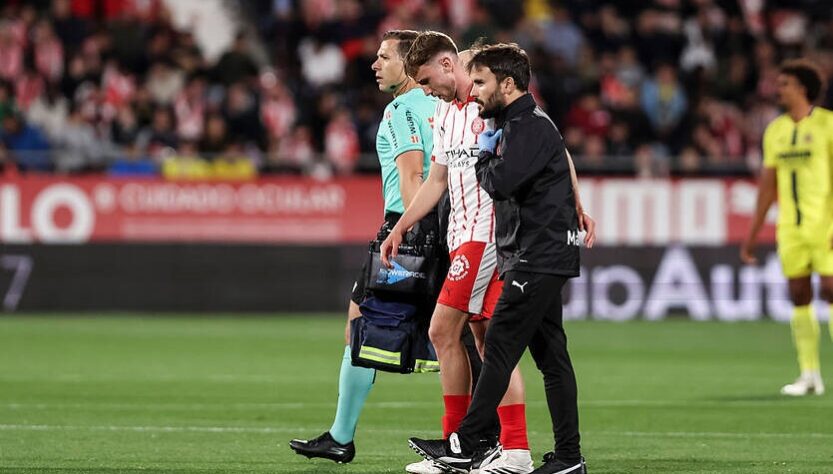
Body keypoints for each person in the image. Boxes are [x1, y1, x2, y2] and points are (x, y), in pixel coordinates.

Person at [383, 34, 594, 474]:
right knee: (489, 341)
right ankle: (513, 449)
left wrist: (577, 201)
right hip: (463, 235)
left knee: (446, 330)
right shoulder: (446, 111)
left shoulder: (494, 107)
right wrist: (401, 226)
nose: (426, 91)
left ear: (449, 66)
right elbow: (437, 180)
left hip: (491, 238)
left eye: (427, 81)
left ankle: (458, 444)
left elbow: (550, 143)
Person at [288, 30, 438, 464]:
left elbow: (412, 175)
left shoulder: (401, 110)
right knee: (454, 333)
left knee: (369, 326)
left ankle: (484, 439)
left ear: (410, 64)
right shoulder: (444, 106)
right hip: (445, 221)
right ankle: (341, 435)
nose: (375, 64)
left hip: (408, 225)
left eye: (384, 57)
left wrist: (410, 231)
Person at [741, 59, 833, 396]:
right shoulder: (776, 130)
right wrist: (752, 234)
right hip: (791, 228)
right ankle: (809, 375)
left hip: (825, 226)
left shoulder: (828, 124)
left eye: (785, 84)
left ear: (802, 88)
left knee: (831, 290)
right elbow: (768, 187)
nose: (778, 90)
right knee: (799, 294)